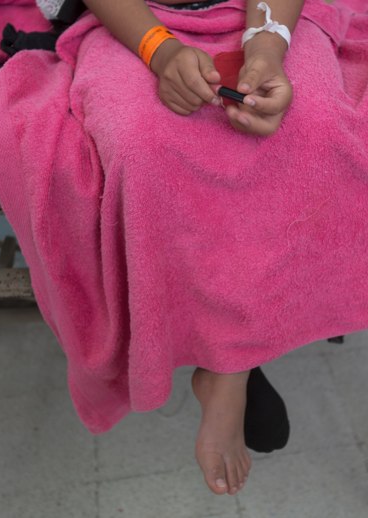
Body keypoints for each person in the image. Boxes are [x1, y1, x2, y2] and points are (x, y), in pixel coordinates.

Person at [79, 0, 304, 497]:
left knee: (306, 125)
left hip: (265, 14)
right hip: (132, 21)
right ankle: (233, 355)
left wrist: (267, 46)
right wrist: (159, 49)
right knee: (141, 144)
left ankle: (232, 365)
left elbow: (270, 37)